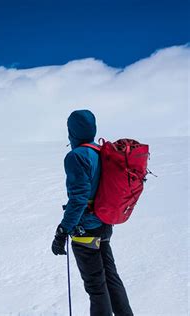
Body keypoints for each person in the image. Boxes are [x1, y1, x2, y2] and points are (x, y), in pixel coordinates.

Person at [51, 110, 133, 316]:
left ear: (72, 131)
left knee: (96, 287)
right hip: (105, 224)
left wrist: (62, 231)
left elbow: (78, 199)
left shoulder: (76, 156)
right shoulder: (102, 151)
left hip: (86, 230)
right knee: (111, 278)